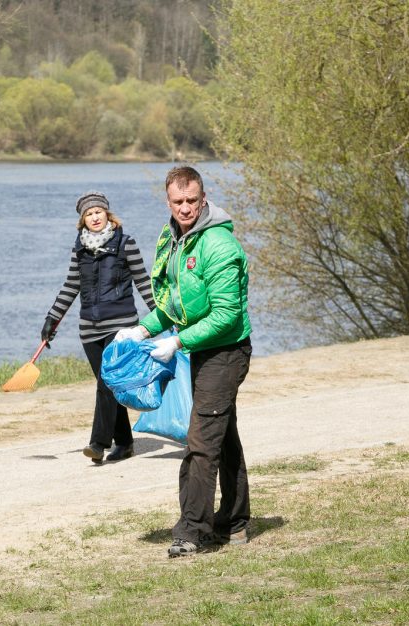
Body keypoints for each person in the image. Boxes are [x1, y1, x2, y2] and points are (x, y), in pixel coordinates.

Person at [115, 165, 253, 557]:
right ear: (168, 201)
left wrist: (176, 341)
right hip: (199, 348)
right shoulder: (173, 239)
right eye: (178, 201)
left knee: (200, 442)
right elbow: (174, 303)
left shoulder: (219, 246)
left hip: (226, 352)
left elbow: (226, 315)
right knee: (220, 435)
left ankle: (191, 531)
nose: (186, 207)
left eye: (192, 200)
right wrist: (143, 330)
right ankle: (237, 521)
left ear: (203, 198)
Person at [42, 191, 155, 464]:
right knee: (109, 386)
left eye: (98, 212)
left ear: (108, 214)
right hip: (89, 329)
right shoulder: (79, 249)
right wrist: (51, 320)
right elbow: (70, 286)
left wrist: (162, 316)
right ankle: (126, 443)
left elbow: (143, 282)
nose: (94, 217)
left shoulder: (125, 244)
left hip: (120, 326)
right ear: (83, 220)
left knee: (107, 383)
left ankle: (98, 443)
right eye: (88, 214)